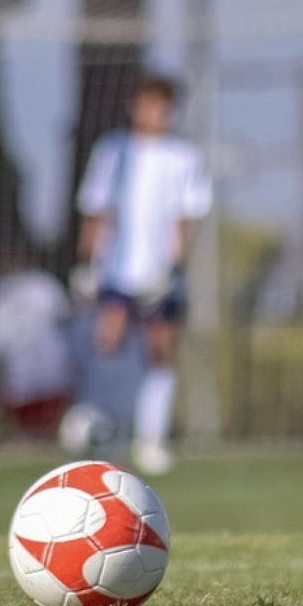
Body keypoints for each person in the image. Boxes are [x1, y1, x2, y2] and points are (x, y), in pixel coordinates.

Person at [74, 73, 212, 475]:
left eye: (164, 106)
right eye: (149, 103)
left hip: (159, 273)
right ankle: (104, 432)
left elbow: (188, 217)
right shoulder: (112, 151)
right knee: (109, 345)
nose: (156, 113)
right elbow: (97, 209)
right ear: (134, 106)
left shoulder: (183, 157)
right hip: (116, 270)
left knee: (160, 351)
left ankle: (151, 439)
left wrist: (175, 268)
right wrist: (86, 263)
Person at [0, 246, 75, 441]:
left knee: (51, 437)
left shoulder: (43, 285)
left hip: (50, 377)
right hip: (19, 381)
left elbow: (67, 323)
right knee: (26, 440)